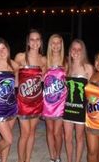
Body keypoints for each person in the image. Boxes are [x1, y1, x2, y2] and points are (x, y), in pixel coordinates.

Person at [14, 28, 47, 162]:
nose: (35, 42)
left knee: (32, 132)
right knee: (25, 133)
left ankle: (27, 159)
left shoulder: (44, 59)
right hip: (22, 101)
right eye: (32, 39)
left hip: (36, 100)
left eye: (37, 39)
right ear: (28, 41)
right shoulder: (20, 57)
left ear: (41, 42)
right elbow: (13, 77)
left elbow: (43, 79)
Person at [63, 39, 93, 162]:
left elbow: (92, 91)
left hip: (81, 109)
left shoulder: (88, 68)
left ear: (83, 51)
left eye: (79, 49)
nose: (76, 51)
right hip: (67, 107)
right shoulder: (66, 66)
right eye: (73, 49)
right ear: (70, 51)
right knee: (67, 137)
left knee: (80, 137)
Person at [42, 34, 67, 162]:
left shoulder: (66, 61)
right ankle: (52, 157)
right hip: (47, 101)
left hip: (61, 103)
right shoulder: (44, 61)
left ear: (61, 45)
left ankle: (58, 156)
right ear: (50, 44)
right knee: (49, 131)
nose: (56, 45)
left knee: (58, 132)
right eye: (53, 42)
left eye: (58, 43)